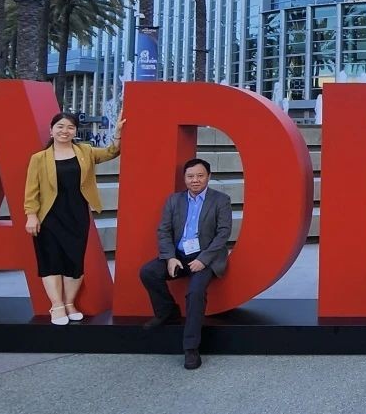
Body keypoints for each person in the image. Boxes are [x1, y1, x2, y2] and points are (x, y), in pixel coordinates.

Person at [23, 112, 124, 326]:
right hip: (49, 217)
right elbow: (31, 190)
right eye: (60, 126)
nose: (65, 131)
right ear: (51, 130)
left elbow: (111, 152)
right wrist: (31, 215)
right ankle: (57, 305)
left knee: (75, 260)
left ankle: (69, 303)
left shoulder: (85, 151)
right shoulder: (39, 158)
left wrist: (117, 133)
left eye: (70, 127)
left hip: (77, 215)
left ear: (75, 131)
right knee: (51, 261)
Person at [138, 158, 232, 370]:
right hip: (179, 255)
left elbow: (223, 234)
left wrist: (203, 260)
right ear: (184, 178)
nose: (195, 180)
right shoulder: (174, 200)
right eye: (190, 176)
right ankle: (168, 312)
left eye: (200, 176)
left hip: (205, 257)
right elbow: (164, 230)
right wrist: (170, 257)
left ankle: (191, 348)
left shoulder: (221, 200)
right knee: (148, 272)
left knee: (195, 293)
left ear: (208, 177)